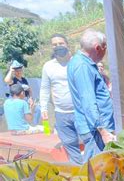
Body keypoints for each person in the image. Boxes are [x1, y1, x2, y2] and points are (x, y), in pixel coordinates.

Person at [67, 29, 115, 161]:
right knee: (97, 170)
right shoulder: (82, 66)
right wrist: (103, 131)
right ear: (98, 48)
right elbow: (88, 103)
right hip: (95, 131)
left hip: (96, 129)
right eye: (105, 47)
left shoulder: (81, 62)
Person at [39, 33, 83, 165]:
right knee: (69, 143)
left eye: (61, 43)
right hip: (61, 113)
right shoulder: (48, 66)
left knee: (88, 141)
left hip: (80, 111)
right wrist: (43, 107)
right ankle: (79, 171)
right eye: (55, 44)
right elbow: (45, 88)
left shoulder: (78, 62)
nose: (58, 46)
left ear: (67, 44)